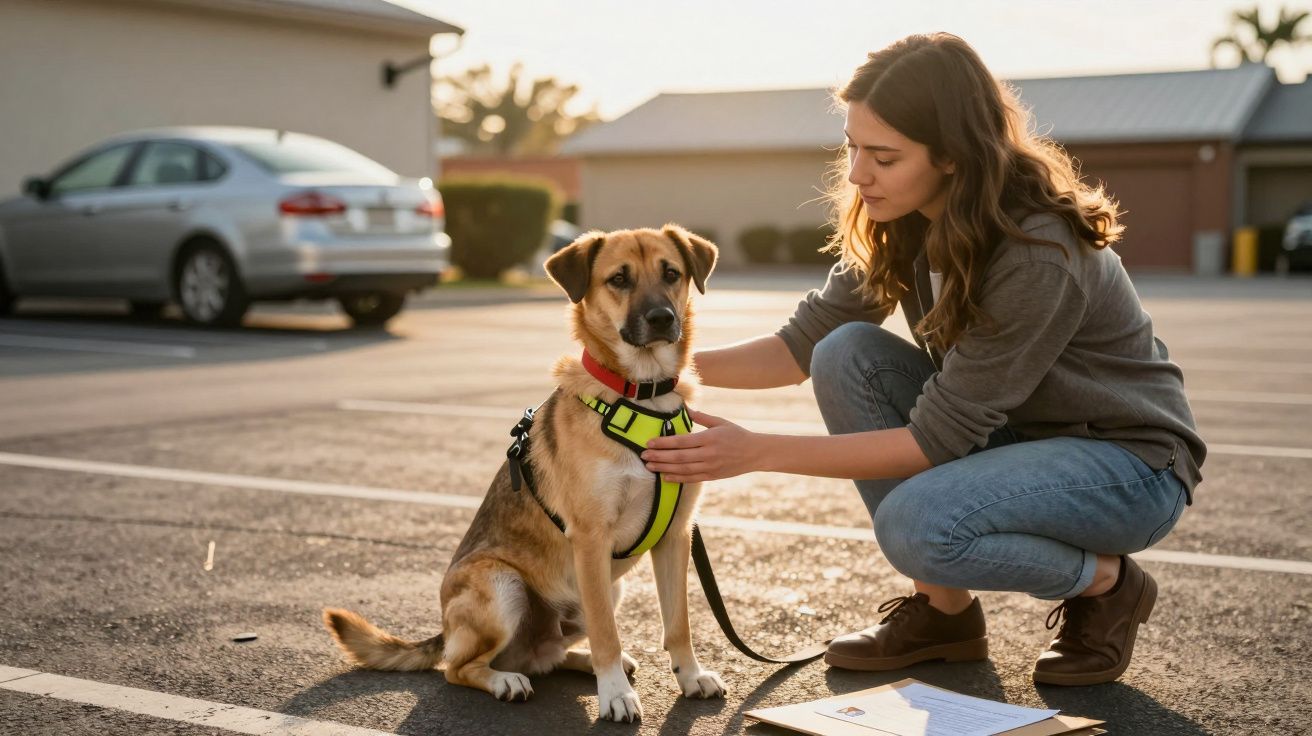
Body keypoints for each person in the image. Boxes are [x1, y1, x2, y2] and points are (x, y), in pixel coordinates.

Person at [640, 33, 1205, 687]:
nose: (857, 173)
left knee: (915, 525)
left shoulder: (1035, 250)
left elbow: (933, 441)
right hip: (1019, 437)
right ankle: (945, 615)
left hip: (1128, 466)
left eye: (883, 155)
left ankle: (1109, 586)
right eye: (852, 147)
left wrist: (755, 451)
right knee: (843, 350)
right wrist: (640, 373)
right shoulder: (901, 216)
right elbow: (799, 347)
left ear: (953, 156)